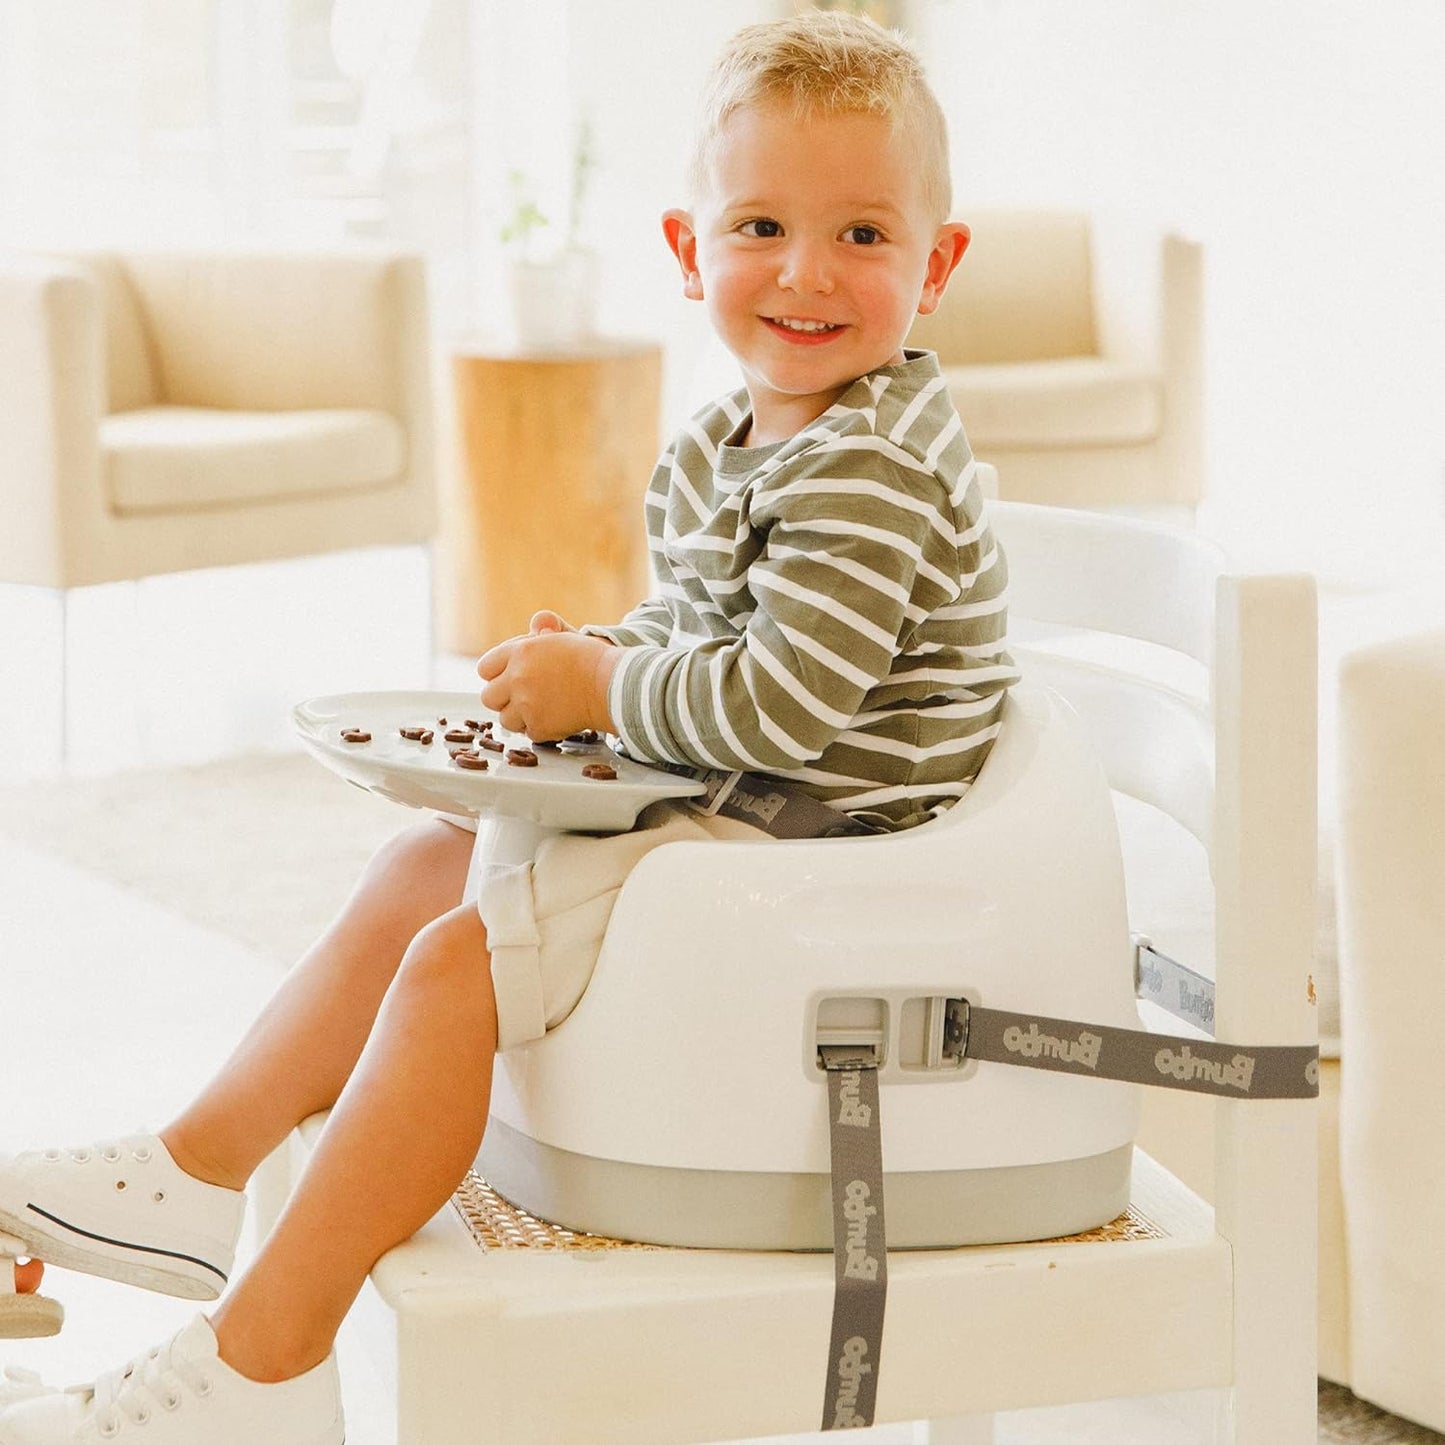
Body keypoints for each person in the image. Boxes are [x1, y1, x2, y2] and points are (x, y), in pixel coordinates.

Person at [0, 11, 1017, 1441]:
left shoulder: (865, 467)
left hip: (817, 863)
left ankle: (261, 1361)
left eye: (861, 234)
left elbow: (783, 706)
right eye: (761, 226)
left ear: (937, 264)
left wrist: (601, 693)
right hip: (757, 812)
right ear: (688, 249)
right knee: (429, 860)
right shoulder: (744, 437)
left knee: (453, 965)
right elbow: (707, 638)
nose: (805, 271)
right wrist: (596, 672)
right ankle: (200, 1170)